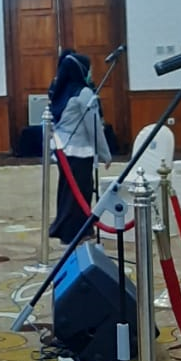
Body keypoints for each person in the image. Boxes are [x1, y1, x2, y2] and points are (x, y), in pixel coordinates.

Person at [47, 51, 112, 245]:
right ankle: (76, 232)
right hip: (79, 151)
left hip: (63, 150)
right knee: (80, 194)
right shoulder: (84, 94)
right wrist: (105, 153)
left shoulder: (59, 90)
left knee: (67, 192)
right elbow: (93, 128)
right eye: (89, 69)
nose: (91, 73)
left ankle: (66, 228)